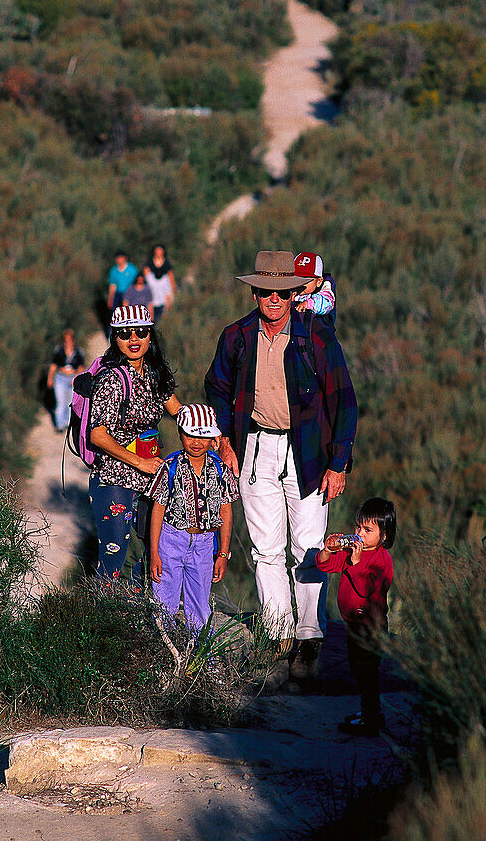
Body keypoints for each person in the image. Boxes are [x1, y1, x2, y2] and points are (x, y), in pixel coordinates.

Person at [204, 250, 358, 684]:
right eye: (266, 290)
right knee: (265, 549)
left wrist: (339, 462)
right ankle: (278, 636)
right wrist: (223, 440)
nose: (274, 298)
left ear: (293, 292)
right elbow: (216, 386)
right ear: (255, 292)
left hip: (308, 449)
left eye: (282, 291)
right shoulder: (236, 337)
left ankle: (309, 640)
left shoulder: (316, 338)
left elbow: (344, 400)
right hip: (254, 447)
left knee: (309, 548)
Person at [88, 304, 181, 580]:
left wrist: (208, 432)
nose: (133, 340)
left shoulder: (154, 374)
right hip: (115, 481)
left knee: (145, 558)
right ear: (114, 339)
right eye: (125, 334)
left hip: (149, 480)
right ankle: (104, 621)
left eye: (140, 332)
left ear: (150, 335)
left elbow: (177, 410)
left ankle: (137, 620)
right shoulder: (112, 380)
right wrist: (140, 462)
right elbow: (98, 434)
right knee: (113, 563)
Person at [147, 403, 239, 632]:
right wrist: (154, 552)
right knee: (164, 601)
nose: (196, 442)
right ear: (180, 434)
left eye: (203, 436)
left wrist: (223, 554)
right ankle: (163, 653)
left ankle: (200, 657)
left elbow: (226, 512)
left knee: (199, 603)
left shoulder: (220, 470)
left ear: (212, 439)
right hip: (171, 539)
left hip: (205, 543)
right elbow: (157, 509)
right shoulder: (170, 467)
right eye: (190, 435)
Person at [317, 497, 396, 736]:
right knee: (358, 669)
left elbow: (367, 589)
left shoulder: (382, 560)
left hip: (371, 626)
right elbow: (325, 566)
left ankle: (372, 718)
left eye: (368, 530)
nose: (360, 533)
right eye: (358, 527)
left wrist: (357, 563)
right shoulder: (352, 551)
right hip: (353, 622)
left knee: (368, 671)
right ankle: (368, 711)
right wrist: (328, 550)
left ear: (383, 536)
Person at [47, 328, 85, 432]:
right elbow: (53, 365)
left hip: (72, 377)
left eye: (69, 340)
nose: (67, 342)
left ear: (73, 340)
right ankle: (60, 425)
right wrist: (50, 378)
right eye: (65, 340)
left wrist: (77, 378)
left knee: (70, 402)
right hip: (60, 378)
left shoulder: (78, 351)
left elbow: (81, 367)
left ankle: (68, 424)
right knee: (60, 401)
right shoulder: (58, 350)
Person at [293, 252, 336, 326]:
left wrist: (308, 304)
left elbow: (327, 303)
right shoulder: (293, 290)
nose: (301, 283)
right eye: (297, 278)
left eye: (306, 280)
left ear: (319, 281)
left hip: (316, 330)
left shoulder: (325, 287)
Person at [105, 250, 138, 338]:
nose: (119, 260)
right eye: (118, 258)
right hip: (118, 293)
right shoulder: (114, 271)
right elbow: (112, 285)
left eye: (121, 258)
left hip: (130, 294)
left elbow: (136, 284)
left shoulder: (132, 270)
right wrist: (110, 299)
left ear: (125, 258)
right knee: (115, 314)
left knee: (129, 314)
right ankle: (112, 334)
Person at [143, 244, 176, 325]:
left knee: (165, 309)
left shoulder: (166, 263)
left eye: (160, 251)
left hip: (164, 288)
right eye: (157, 251)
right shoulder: (150, 262)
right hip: (153, 288)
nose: (158, 253)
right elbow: (146, 274)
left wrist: (173, 289)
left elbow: (171, 277)